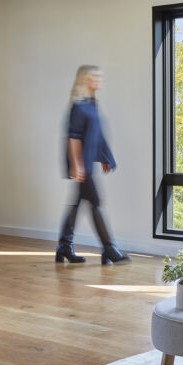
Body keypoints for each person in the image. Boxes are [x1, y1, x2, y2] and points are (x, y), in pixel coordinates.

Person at [55, 65, 131, 265]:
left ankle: (64, 246)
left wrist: (106, 157)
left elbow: (97, 134)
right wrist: (76, 165)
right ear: (86, 79)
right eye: (95, 76)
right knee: (95, 202)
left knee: (78, 204)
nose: (100, 79)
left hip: (88, 163)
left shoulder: (92, 103)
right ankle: (109, 249)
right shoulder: (78, 106)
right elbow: (73, 138)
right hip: (82, 166)